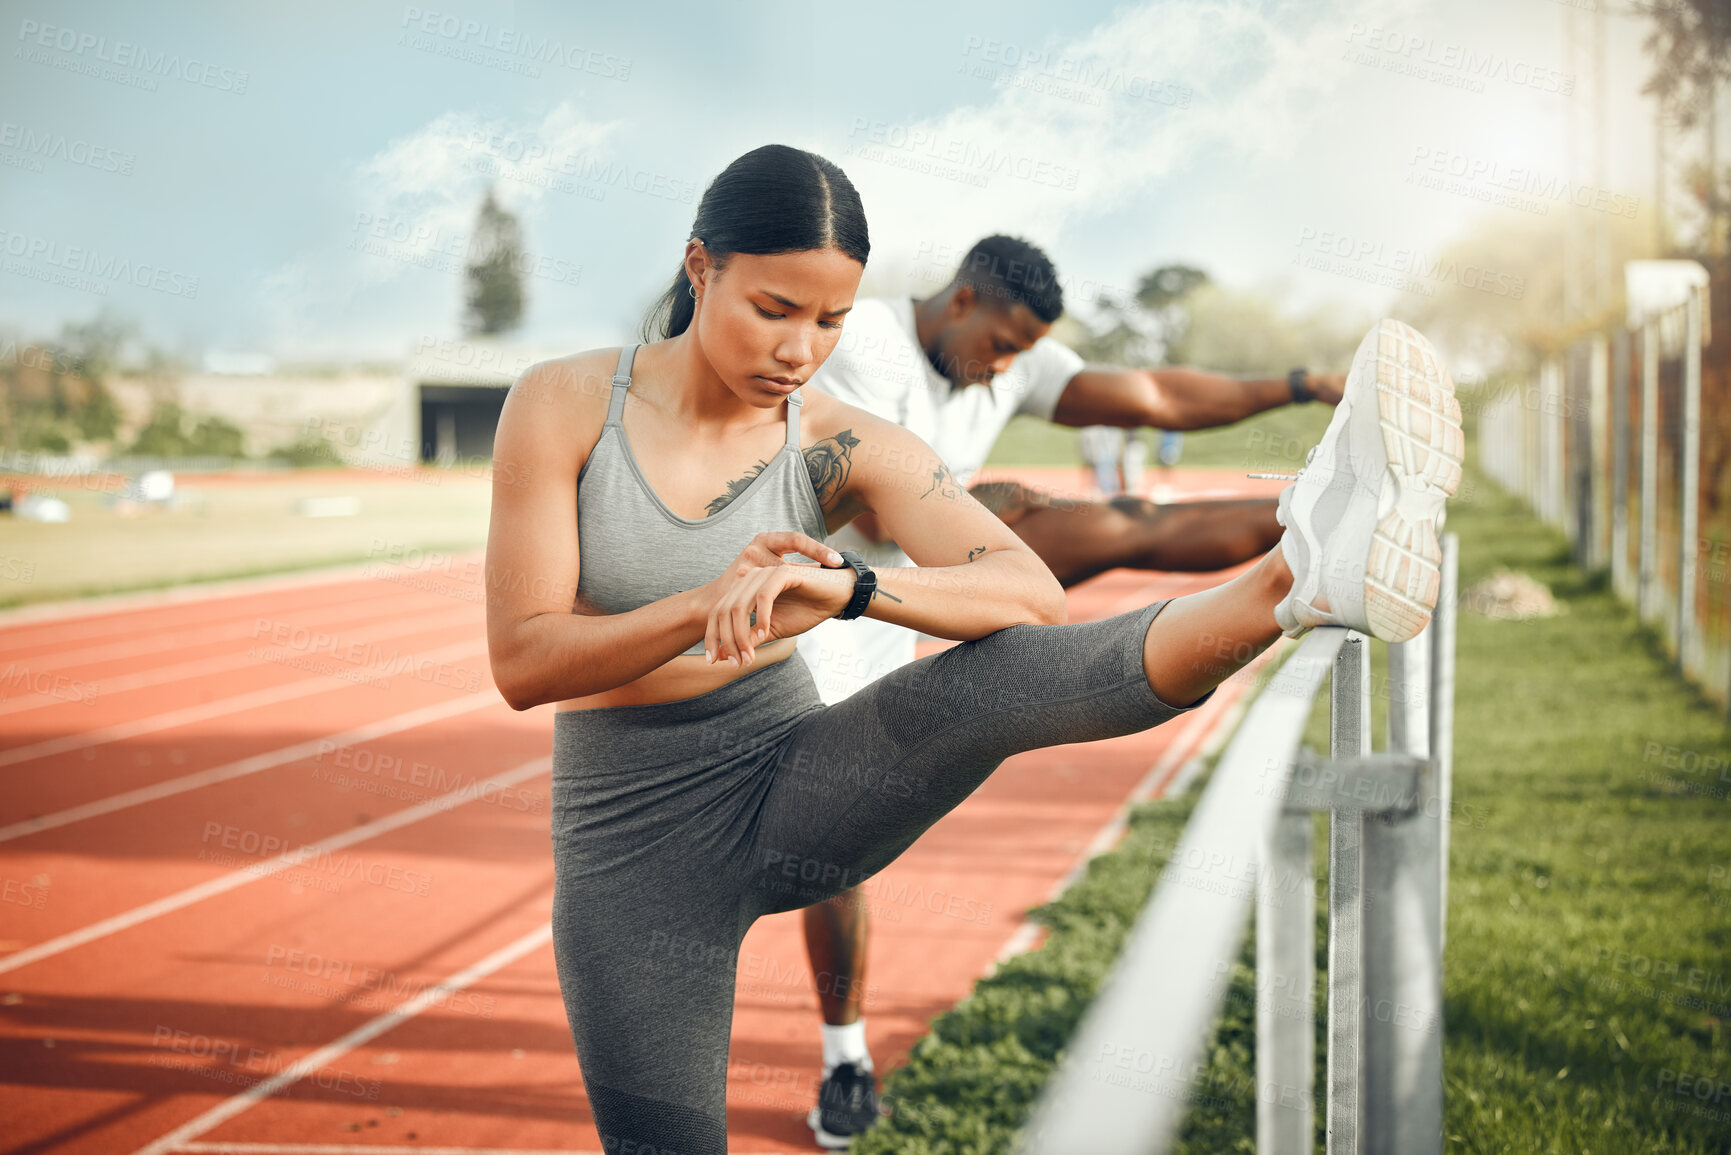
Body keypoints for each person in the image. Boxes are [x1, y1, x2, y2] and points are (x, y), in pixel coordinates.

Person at [484, 143, 1462, 1155]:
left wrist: (851, 589)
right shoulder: (562, 404)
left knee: (988, 679)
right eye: (774, 310)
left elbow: (1027, 591)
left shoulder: (836, 438)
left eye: (828, 320)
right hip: (630, 846)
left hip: (792, 779)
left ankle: (1298, 576)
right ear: (701, 269)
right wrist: (710, 607)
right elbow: (525, 659)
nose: (799, 349)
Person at [788, 234, 1348, 1143]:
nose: (1006, 370)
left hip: (922, 588)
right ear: (961, 300)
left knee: (1123, 522)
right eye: (1001, 347)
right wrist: (976, 508)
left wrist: (1301, 384)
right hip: (825, 610)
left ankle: (1321, 525)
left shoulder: (1005, 355)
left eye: (1022, 356)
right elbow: (852, 494)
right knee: (831, 859)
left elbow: (1156, 395)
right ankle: (845, 1054)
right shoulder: (872, 350)